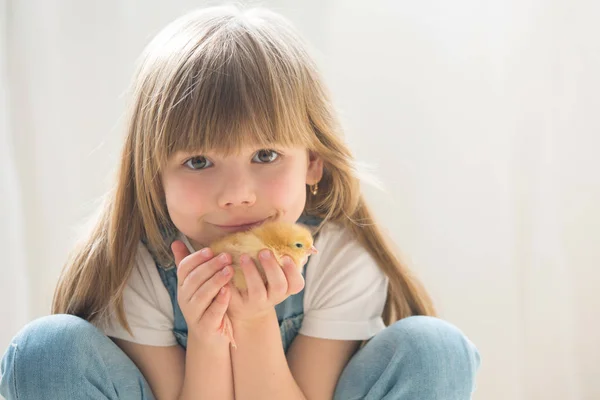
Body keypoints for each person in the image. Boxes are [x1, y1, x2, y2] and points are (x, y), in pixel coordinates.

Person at [0, 5, 480, 399]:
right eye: (198, 161)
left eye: (265, 155)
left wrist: (253, 324)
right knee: (49, 350)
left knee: (433, 348)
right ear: (153, 175)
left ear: (313, 163)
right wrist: (207, 338)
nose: (236, 194)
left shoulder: (336, 256)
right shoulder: (136, 266)